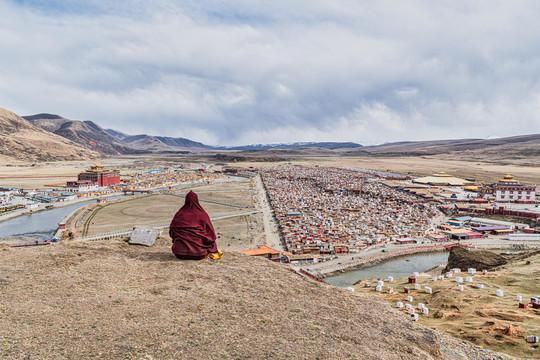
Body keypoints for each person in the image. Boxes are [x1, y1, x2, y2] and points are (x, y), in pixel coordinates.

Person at [169, 191, 222, 260]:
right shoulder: (202, 215)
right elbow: (211, 234)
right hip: (200, 253)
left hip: (179, 253)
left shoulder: (179, 214)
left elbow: (172, 232)